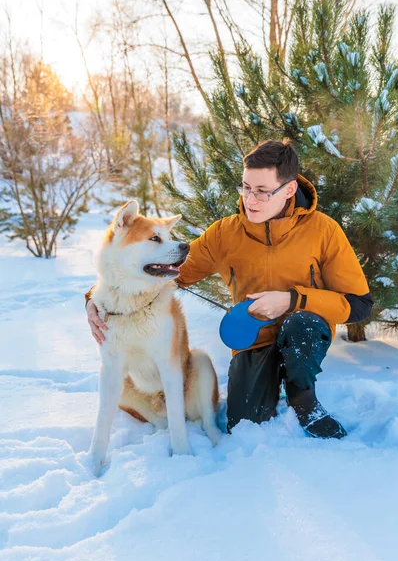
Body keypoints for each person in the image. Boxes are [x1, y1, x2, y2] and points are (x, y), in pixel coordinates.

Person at [86, 139, 373, 439]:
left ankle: (303, 398)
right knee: (243, 423)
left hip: (304, 331)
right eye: (246, 188)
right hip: (252, 339)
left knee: (301, 323)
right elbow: (160, 271)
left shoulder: (324, 231)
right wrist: (95, 299)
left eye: (262, 191)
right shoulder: (225, 234)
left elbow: (359, 304)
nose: (251, 199)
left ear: (289, 189)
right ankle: (269, 377)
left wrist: (292, 299)